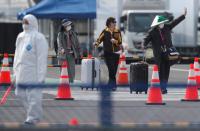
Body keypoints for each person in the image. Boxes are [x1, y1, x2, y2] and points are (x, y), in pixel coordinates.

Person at [13, 14, 48, 125]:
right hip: (21, 70)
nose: (24, 24)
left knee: (33, 95)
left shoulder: (39, 37)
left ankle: (33, 117)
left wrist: (41, 76)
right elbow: (17, 55)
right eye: (23, 21)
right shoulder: (20, 36)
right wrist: (14, 73)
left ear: (32, 22)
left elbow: (42, 58)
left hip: (33, 70)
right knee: (19, 93)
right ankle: (32, 114)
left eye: (26, 22)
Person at [142, 8, 187, 94]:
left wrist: (183, 15)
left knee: (167, 70)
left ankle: (164, 86)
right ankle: (163, 88)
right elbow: (146, 39)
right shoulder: (152, 32)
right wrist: (144, 44)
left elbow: (175, 22)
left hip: (168, 53)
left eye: (163, 22)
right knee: (161, 71)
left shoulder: (167, 27)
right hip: (159, 54)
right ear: (157, 24)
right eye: (161, 23)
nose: (163, 24)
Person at [94, 17, 123, 91]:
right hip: (108, 53)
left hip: (116, 53)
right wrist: (96, 44)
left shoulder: (117, 31)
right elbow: (99, 39)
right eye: (113, 22)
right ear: (109, 23)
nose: (115, 24)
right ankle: (113, 85)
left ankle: (110, 84)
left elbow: (120, 42)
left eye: (115, 22)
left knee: (114, 70)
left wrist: (115, 41)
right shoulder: (105, 31)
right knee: (111, 69)